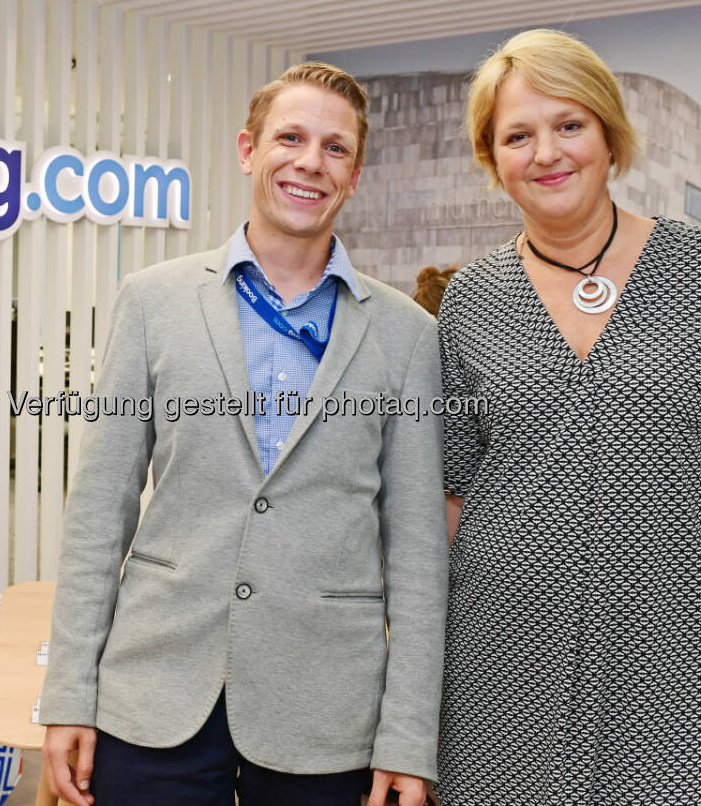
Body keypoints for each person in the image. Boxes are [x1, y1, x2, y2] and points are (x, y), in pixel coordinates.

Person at [437, 29, 701, 804]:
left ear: (609, 135)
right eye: (517, 136)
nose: (547, 152)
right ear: (494, 162)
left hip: (673, 683)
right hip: (500, 677)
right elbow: (453, 495)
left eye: (570, 125)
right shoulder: (471, 301)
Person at [39, 62, 448, 806]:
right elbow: (100, 513)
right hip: (155, 688)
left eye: (334, 149)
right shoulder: (153, 302)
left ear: (354, 175)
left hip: (325, 708)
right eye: (290, 138)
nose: (309, 163)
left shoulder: (408, 337)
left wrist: (409, 739)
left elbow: (418, 556)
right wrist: (69, 693)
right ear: (248, 148)